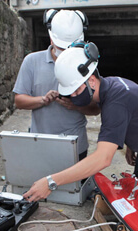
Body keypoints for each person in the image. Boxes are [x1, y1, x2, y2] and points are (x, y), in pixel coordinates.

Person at [23, 41, 138, 202]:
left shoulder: (116, 103)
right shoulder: (108, 86)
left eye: (76, 90)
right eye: (70, 93)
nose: (73, 96)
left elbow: (103, 158)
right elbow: (136, 114)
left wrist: (51, 182)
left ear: (91, 81)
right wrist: (131, 144)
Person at [13, 9, 100, 161]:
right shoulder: (31, 62)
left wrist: (76, 106)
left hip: (75, 146)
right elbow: (19, 101)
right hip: (41, 144)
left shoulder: (86, 65)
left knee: (74, 184)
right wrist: (42, 100)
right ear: (51, 39)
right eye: (61, 48)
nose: (65, 53)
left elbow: (96, 108)